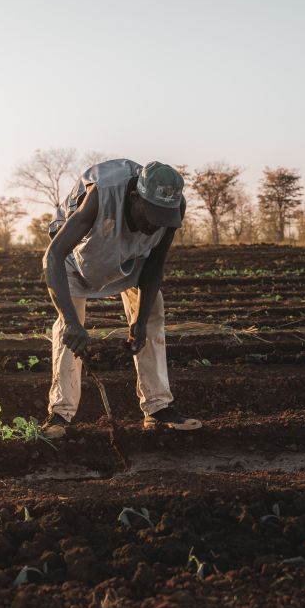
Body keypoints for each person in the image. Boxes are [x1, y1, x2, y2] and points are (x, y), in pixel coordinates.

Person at [41, 159, 202, 439]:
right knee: (70, 327)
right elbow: (53, 255)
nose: (154, 227)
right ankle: (60, 413)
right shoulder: (102, 194)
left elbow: (155, 264)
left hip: (131, 259)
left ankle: (157, 408)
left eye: (162, 220)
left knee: (152, 313)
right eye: (150, 217)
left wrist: (139, 321)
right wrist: (69, 321)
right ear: (134, 198)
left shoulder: (173, 208)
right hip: (77, 258)